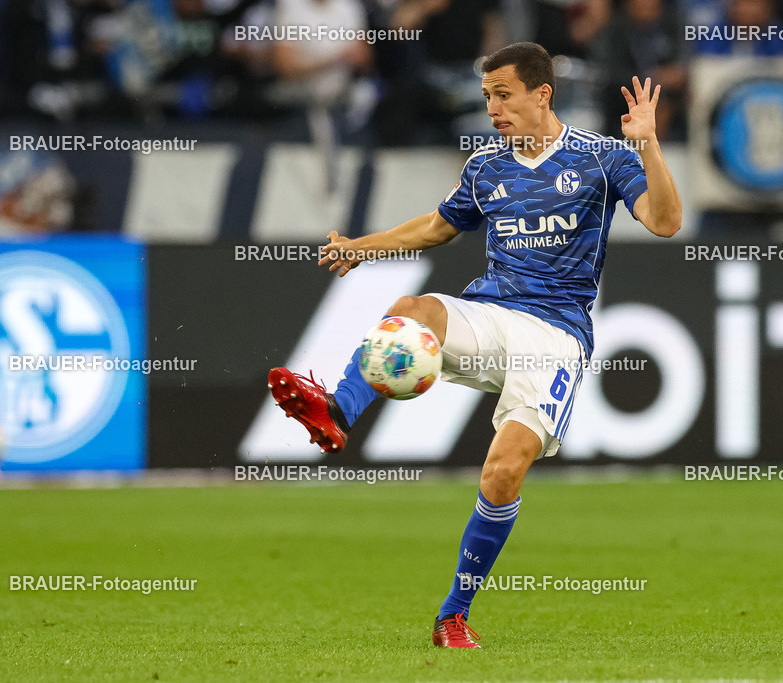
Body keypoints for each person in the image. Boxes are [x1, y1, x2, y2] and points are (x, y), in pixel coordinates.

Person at [267, 41, 681, 648]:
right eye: (487, 96)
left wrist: (647, 142)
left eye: (504, 95)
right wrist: (363, 246)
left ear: (542, 94)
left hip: (556, 336)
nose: (493, 109)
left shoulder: (603, 159)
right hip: (490, 314)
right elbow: (437, 227)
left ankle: (453, 614)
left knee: (502, 473)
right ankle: (336, 412)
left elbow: (667, 221)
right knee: (413, 309)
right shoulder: (486, 166)